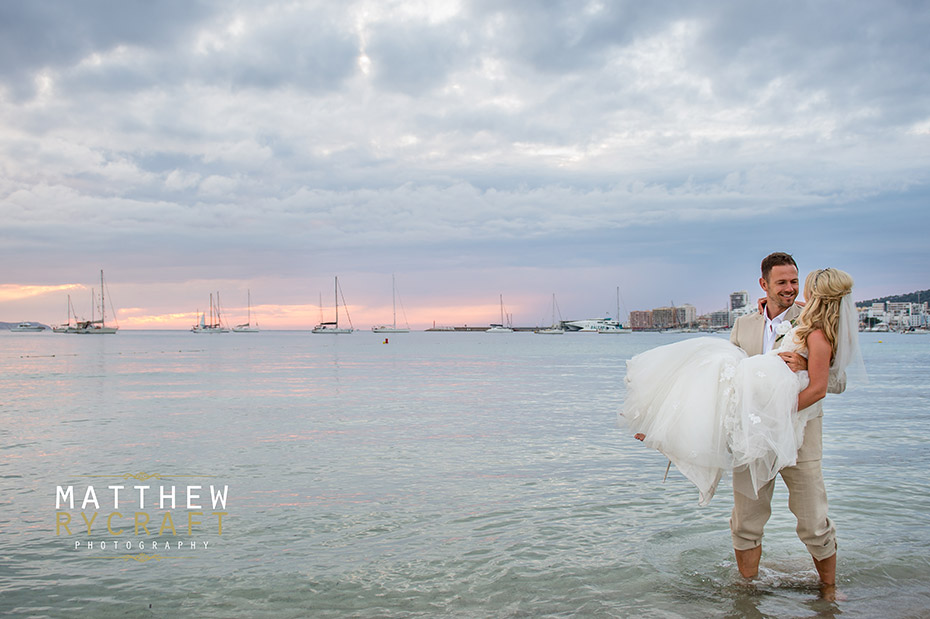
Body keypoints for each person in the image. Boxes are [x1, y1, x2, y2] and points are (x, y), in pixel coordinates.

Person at [622, 254, 862, 594]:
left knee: (813, 523)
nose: (790, 289)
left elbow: (836, 382)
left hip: (800, 439)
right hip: (752, 436)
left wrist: (805, 366)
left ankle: (829, 593)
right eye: (782, 282)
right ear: (764, 285)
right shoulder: (744, 326)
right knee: (746, 522)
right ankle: (747, 594)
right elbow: (728, 383)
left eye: (794, 281)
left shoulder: (813, 319)